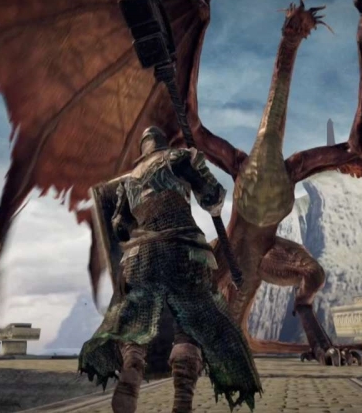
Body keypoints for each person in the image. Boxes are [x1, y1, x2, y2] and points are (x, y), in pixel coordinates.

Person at [79, 126, 262, 413]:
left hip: (140, 257)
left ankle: (133, 362)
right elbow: (212, 197)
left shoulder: (130, 181)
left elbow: (119, 227)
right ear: (163, 144)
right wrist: (199, 169)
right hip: (185, 251)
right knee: (191, 325)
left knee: (135, 322)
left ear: (143, 150)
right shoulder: (178, 158)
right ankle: (182, 400)